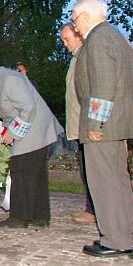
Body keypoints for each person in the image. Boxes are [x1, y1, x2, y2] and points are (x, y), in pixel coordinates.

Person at [72, 0, 133, 258]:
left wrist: (95, 123)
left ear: (87, 15)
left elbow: (102, 86)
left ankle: (115, 241)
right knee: (119, 182)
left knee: (105, 184)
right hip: (118, 125)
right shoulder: (116, 37)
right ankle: (129, 237)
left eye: (75, 18)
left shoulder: (98, 39)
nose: (75, 25)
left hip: (104, 127)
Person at [0, 54, 62, 228]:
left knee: (20, 168)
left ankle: (19, 217)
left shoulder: (10, 79)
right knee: (34, 173)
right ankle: (39, 218)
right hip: (28, 127)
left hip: (36, 127)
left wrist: (11, 133)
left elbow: (28, 108)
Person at [60, 23, 96, 225]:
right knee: (86, 170)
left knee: (93, 171)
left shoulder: (86, 57)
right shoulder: (76, 58)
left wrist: (92, 123)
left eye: (67, 39)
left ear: (79, 36)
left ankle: (95, 211)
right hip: (79, 125)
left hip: (87, 125)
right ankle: (91, 209)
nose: (65, 44)